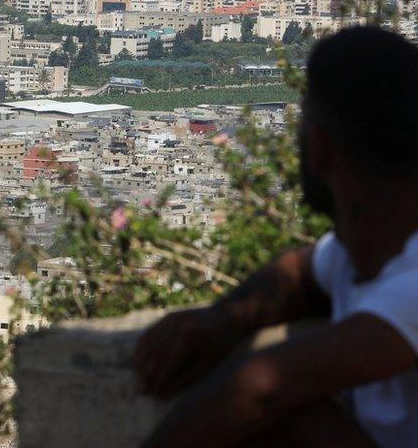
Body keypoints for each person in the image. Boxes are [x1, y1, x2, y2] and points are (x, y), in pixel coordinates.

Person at [135, 26, 418, 447]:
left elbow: (263, 388)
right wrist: (220, 322)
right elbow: (296, 273)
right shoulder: (365, 247)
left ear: (319, 148)